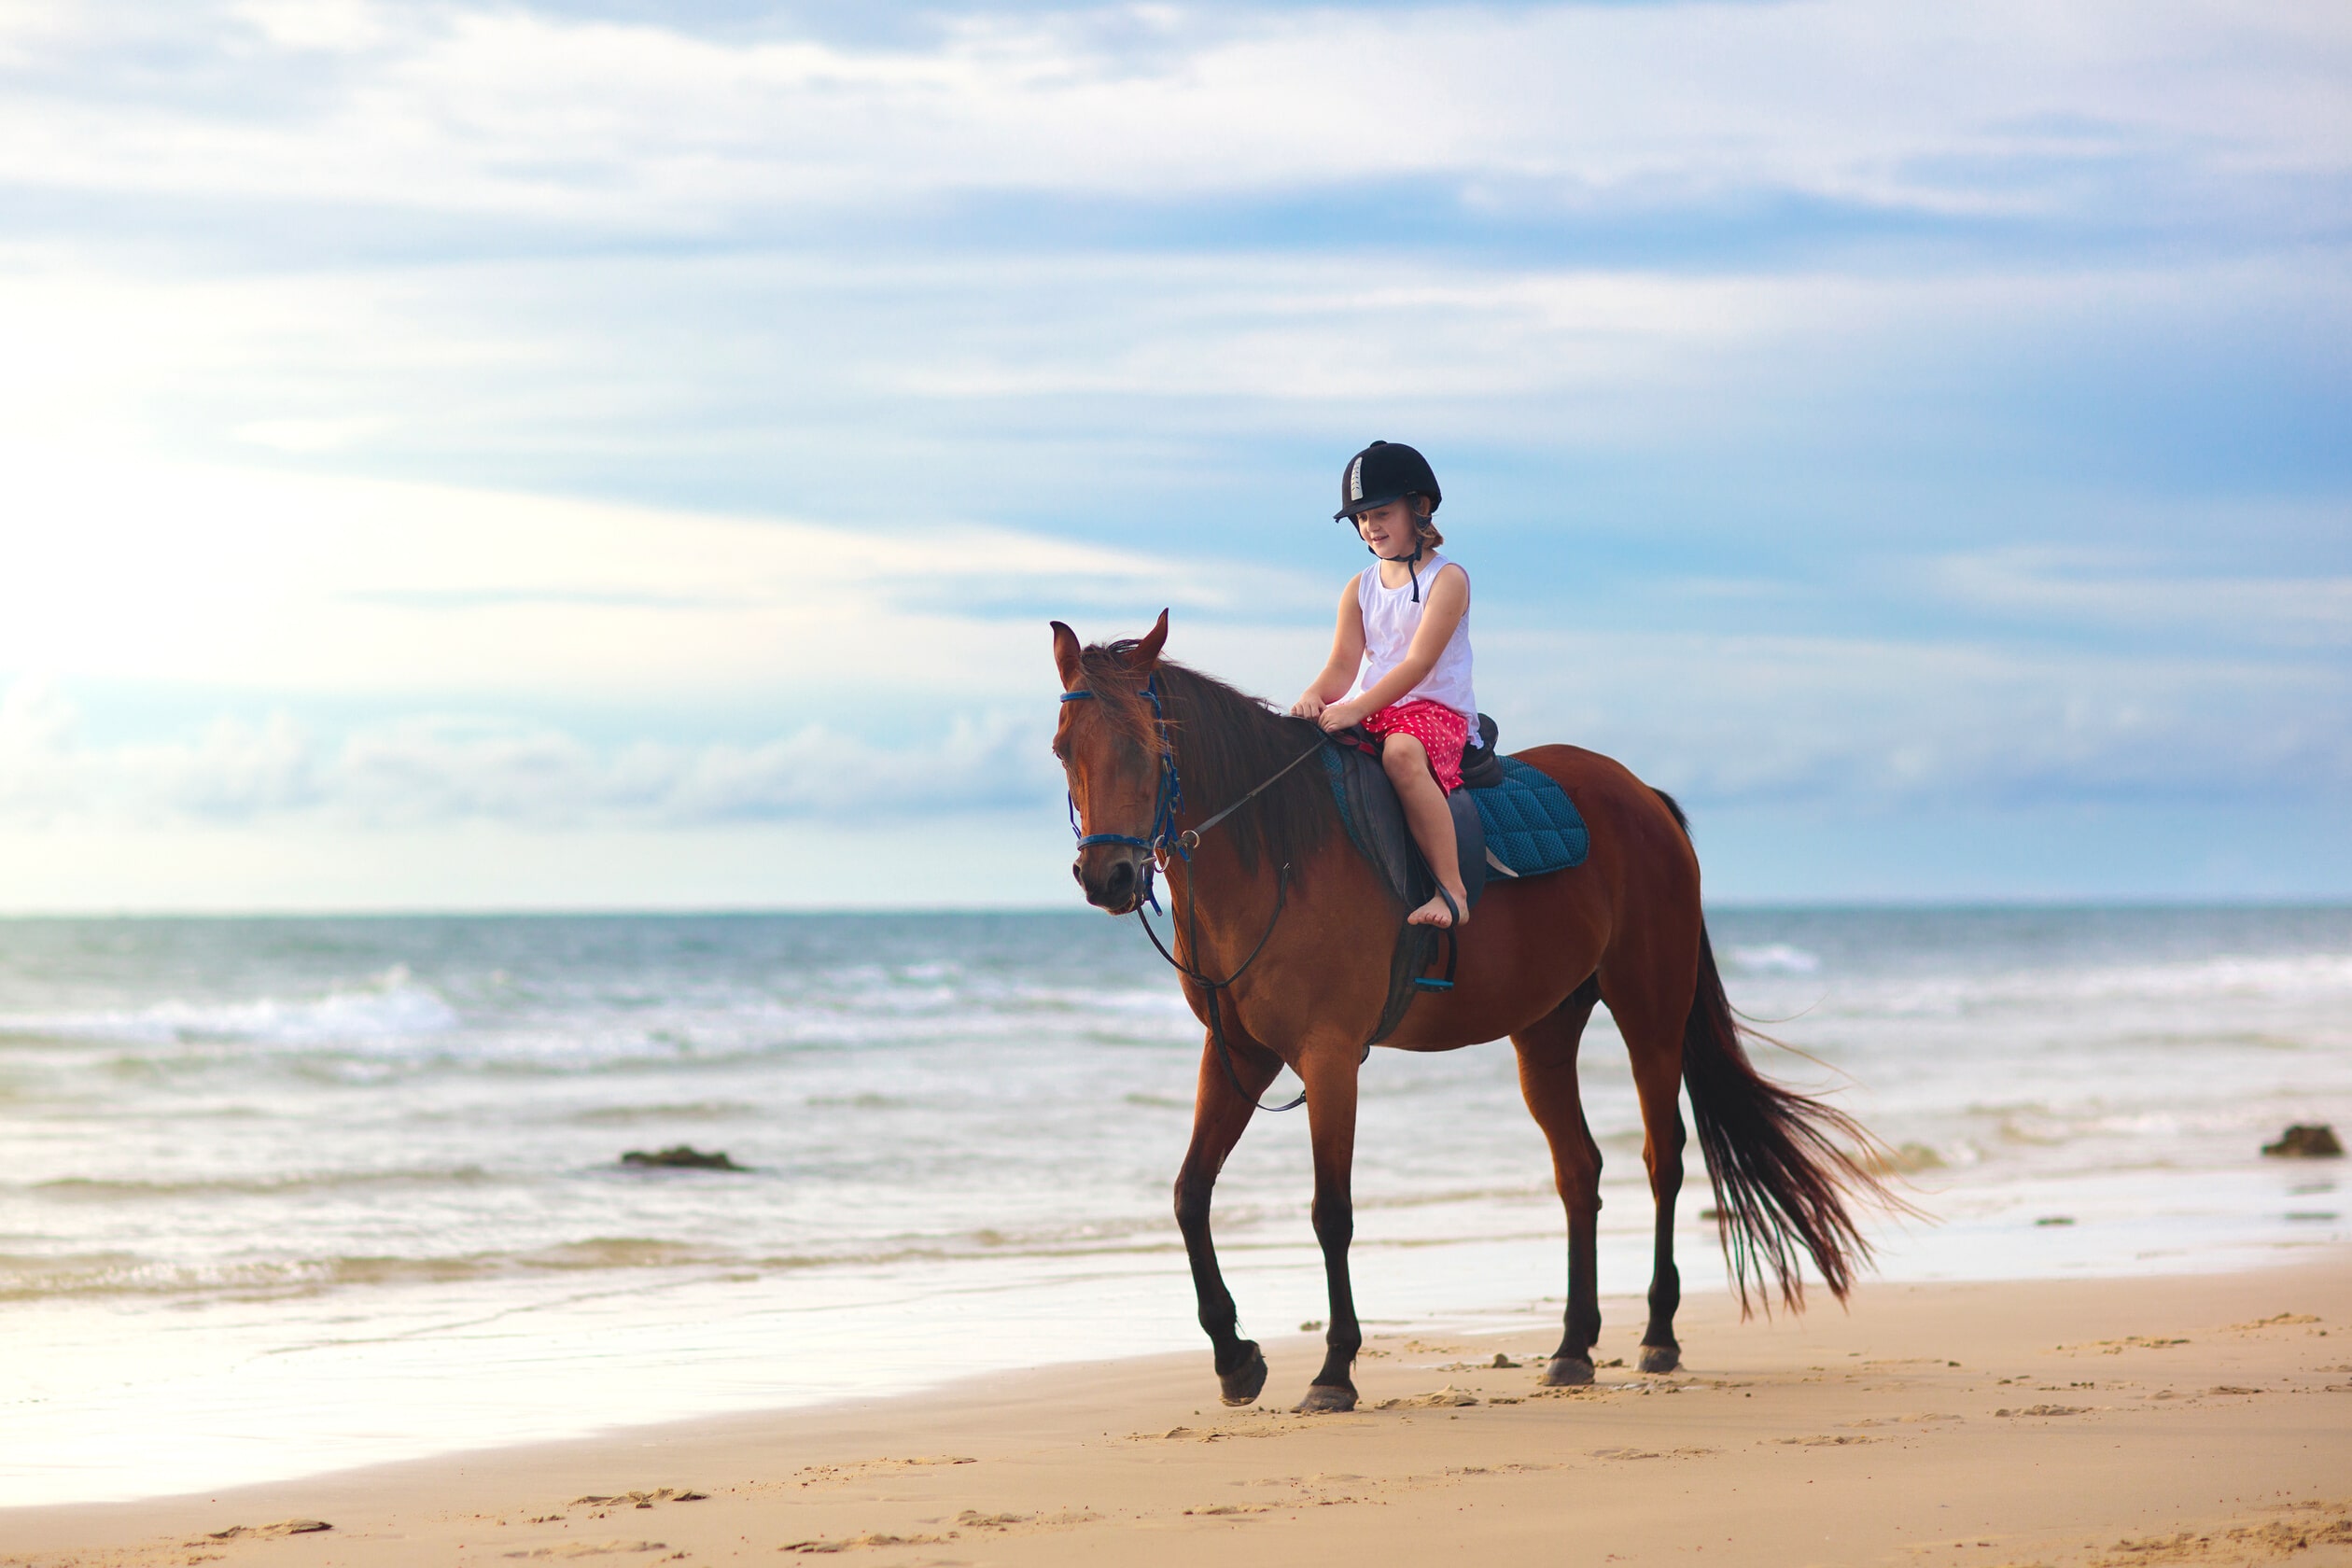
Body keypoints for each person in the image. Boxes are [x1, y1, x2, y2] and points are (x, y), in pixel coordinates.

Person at [1289, 441, 1476, 929]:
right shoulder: (1360, 586)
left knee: (1400, 756)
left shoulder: (1447, 579)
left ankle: (1451, 890)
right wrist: (1315, 695)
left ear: (1420, 508)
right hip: (1373, 706)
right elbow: (1342, 665)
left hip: (1433, 709)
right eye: (1362, 519)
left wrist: (1353, 710)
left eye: (1382, 513)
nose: (1371, 527)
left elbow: (1418, 664)